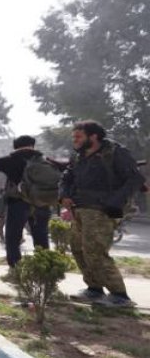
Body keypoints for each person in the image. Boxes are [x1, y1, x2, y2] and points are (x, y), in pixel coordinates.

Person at [61, 120, 146, 307]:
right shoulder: (78, 156)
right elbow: (67, 177)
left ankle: (119, 295)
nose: (74, 140)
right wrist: (64, 195)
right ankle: (94, 289)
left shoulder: (115, 153)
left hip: (102, 210)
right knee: (77, 248)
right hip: (80, 208)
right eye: (73, 136)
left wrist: (114, 202)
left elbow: (135, 179)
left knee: (95, 250)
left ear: (94, 137)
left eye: (78, 136)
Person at [0, 135, 54, 267]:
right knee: (41, 237)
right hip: (41, 204)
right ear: (33, 145)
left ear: (15, 147)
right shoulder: (45, 160)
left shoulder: (10, 160)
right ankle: (45, 269)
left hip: (18, 203)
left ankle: (15, 268)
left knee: (13, 238)